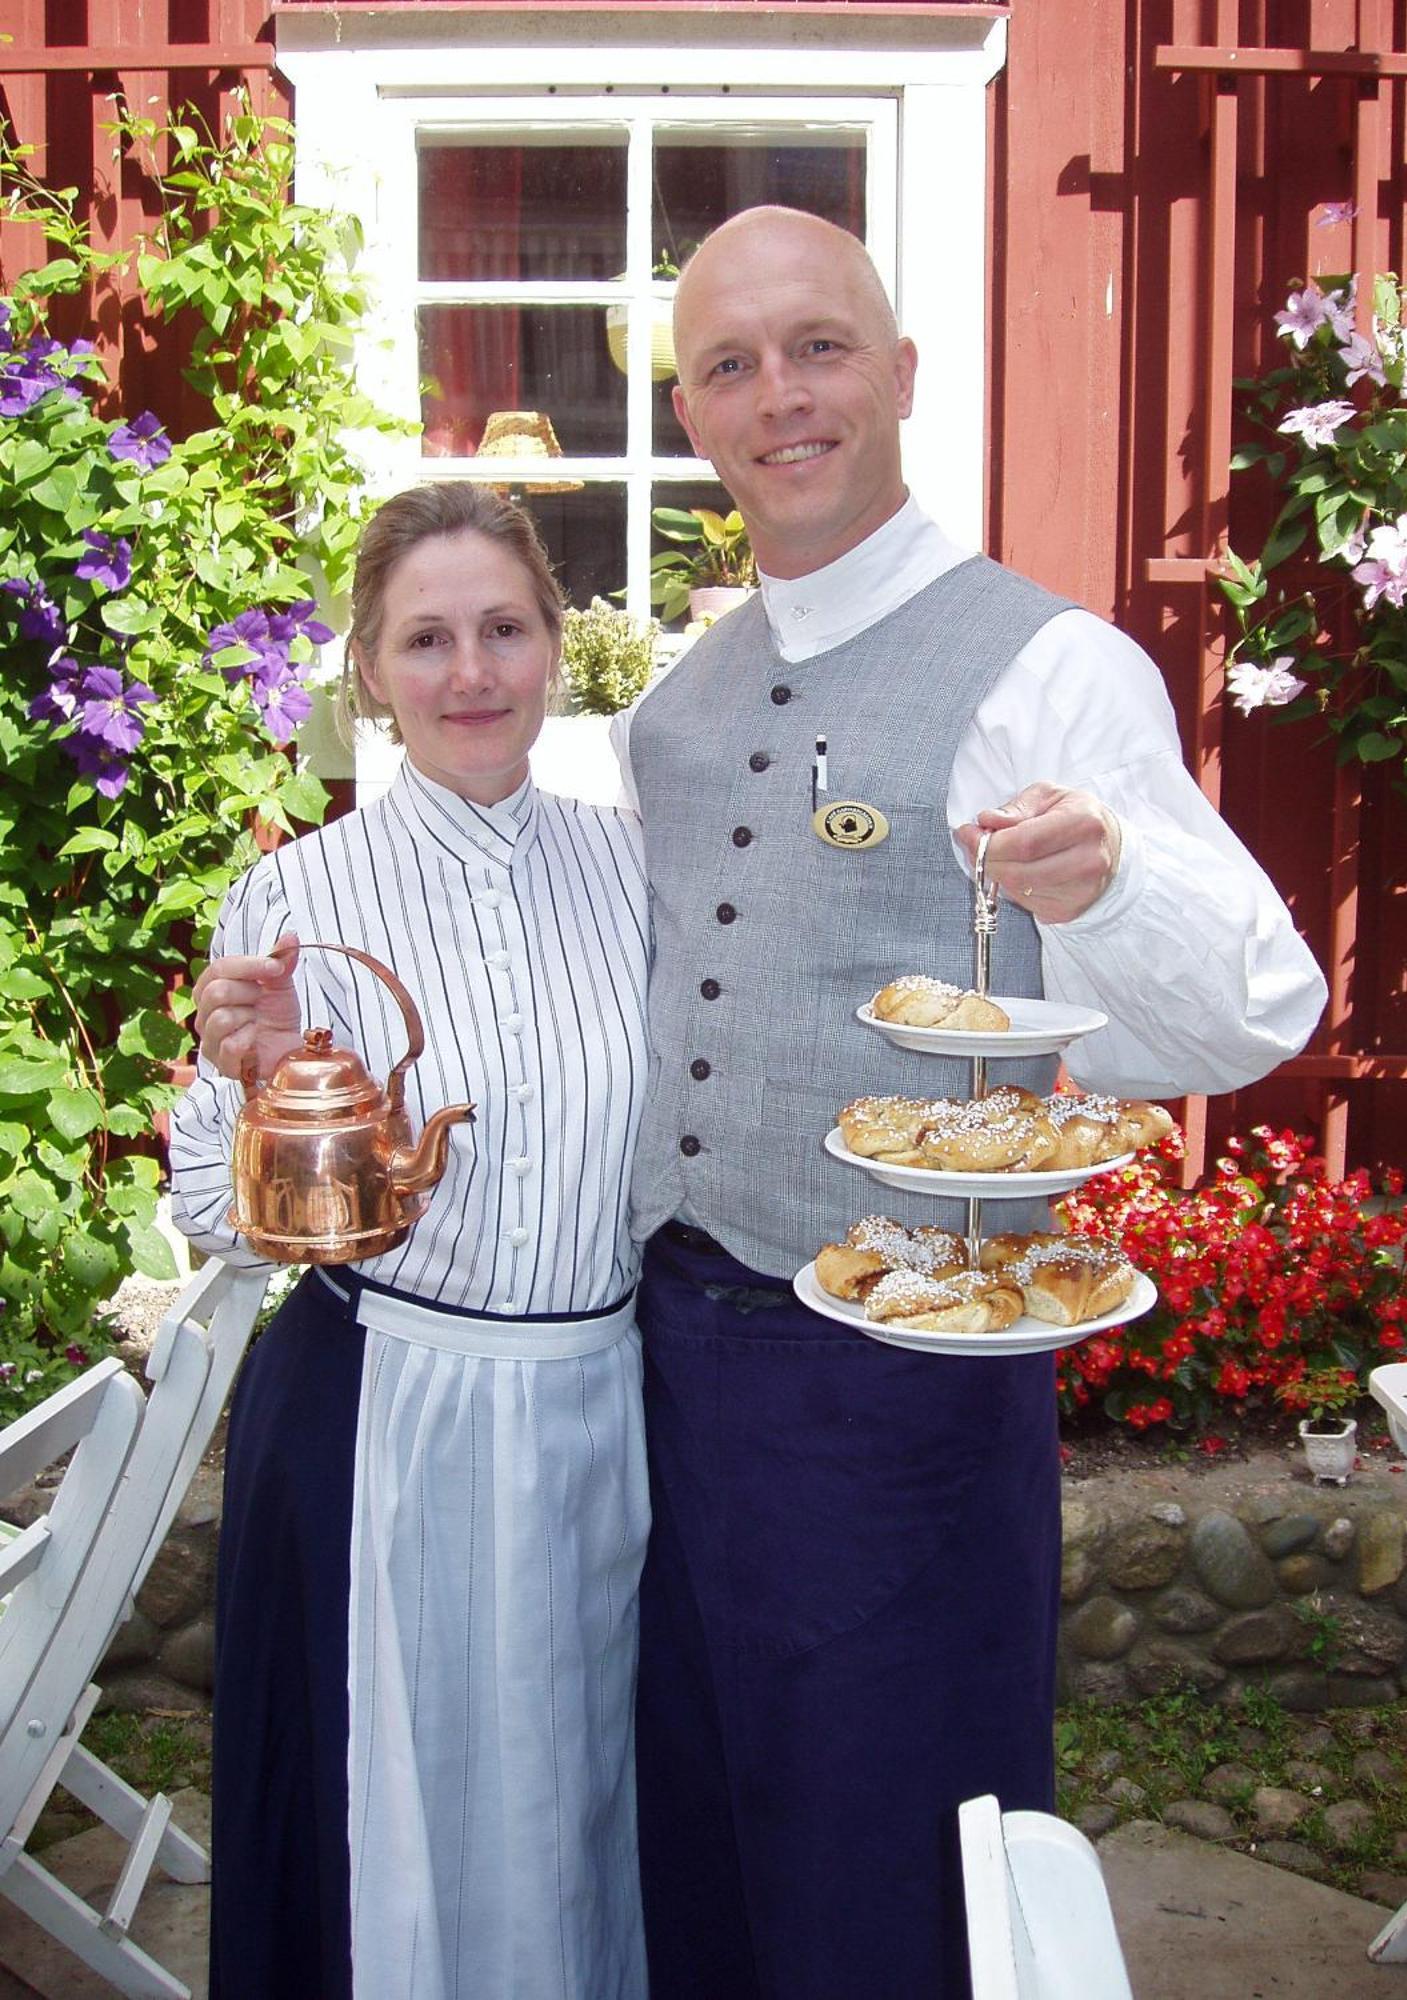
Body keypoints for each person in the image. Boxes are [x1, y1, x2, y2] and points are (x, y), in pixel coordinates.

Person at [614, 206, 1329, 1998]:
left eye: (820, 347)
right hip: (665, 1359)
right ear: (694, 413)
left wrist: (1102, 897)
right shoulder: (679, 707)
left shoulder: (1044, 667)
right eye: (730, 364)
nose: (779, 396)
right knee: (695, 1824)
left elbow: (1254, 1009)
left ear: (905, 374)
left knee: (894, 1848)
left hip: (906, 1384)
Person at [169, 484, 651, 2000]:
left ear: (556, 647)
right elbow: (204, 1199)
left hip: (610, 1402)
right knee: (399, 1804)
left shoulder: (639, 869)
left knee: (589, 1788)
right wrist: (247, 1081)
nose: (471, 675)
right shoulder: (302, 896)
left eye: (504, 630)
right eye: (427, 639)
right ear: (368, 669)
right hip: (386, 1413)